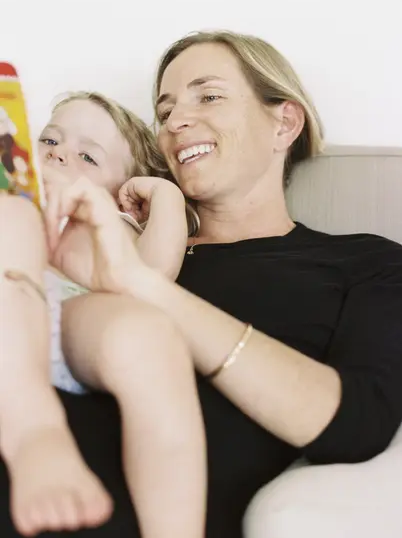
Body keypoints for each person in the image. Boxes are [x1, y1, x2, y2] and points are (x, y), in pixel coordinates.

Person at [1, 29, 402, 538]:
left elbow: (356, 423)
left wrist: (141, 285)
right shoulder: (104, 234)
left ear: (285, 122)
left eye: (208, 96)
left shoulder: (361, 262)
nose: (177, 122)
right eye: (164, 112)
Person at [0, 92, 206, 537]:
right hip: (11, 312)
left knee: (150, 333)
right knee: (9, 218)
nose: (57, 154)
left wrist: (166, 197)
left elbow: (151, 278)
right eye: (49, 140)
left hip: (76, 317)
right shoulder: (14, 195)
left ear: (124, 194)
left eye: (87, 156)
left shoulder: (114, 219)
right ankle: (35, 432)